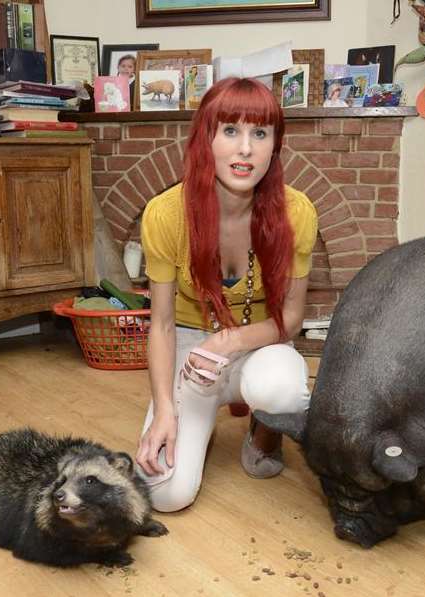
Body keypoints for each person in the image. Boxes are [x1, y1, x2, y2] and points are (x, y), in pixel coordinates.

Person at [135, 77, 318, 512]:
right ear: (206, 138)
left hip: (258, 343)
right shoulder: (165, 215)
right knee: (164, 495)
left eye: (260, 133)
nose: (245, 149)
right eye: (230, 131)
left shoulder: (297, 212)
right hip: (187, 345)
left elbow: (291, 320)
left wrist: (229, 340)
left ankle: (264, 431)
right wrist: (164, 411)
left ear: (275, 146)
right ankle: (197, 418)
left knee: (284, 389)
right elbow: (159, 324)